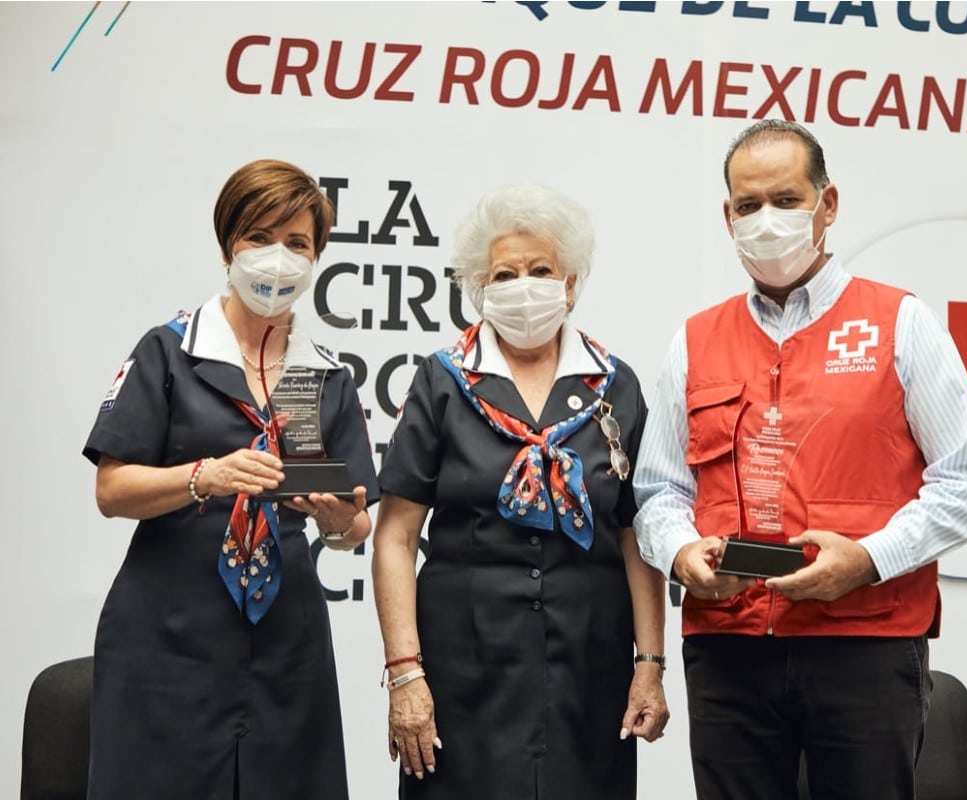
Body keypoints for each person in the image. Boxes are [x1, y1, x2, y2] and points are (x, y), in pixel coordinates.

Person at [632, 119, 967, 800]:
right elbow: (659, 491)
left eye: (786, 199)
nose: (766, 221)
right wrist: (681, 553)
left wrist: (868, 560)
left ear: (827, 205)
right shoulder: (695, 340)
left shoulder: (900, 322)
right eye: (748, 206)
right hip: (729, 650)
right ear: (728, 216)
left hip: (863, 644)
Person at [82, 159, 380, 800]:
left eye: (297, 243)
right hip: (166, 635)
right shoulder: (171, 351)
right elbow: (112, 491)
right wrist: (205, 476)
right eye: (260, 237)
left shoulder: (320, 375)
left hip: (285, 642)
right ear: (228, 246)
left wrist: (336, 521)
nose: (279, 258)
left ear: (317, 257)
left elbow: (357, 522)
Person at [372, 184, 669, 799]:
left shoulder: (615, 384)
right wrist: (405, 676)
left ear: (570, 281)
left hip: (590, 664)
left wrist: (650, 666)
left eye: (541, 270)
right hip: (462, 668)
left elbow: (634, 532)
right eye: (505, 273)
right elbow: (396, 537)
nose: (524, 285)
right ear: (480, 286)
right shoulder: (443, 380)